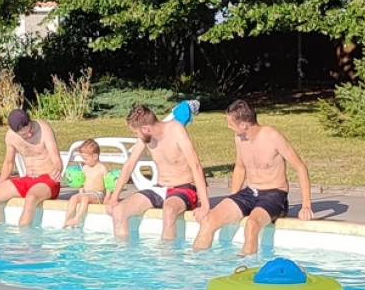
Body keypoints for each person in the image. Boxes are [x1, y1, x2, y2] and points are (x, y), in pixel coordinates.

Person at [193, 99, 314, 255]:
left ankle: (243, 271)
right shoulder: (239, 139)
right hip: (250, 192)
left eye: (230, 123)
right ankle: (195, 268)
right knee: (208, 221)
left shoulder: (272, 136)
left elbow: (300, 167)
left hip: (274, 194)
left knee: (252, 225)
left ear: (244, 125)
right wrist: (233, 198)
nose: (228, 126)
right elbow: (240, 168)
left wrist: (306, 206)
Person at [104, 104, 210, 241]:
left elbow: (196, 166)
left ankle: (166, 260)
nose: (136, 136)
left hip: (184, 188)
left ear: (146, 129)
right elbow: (129, 165)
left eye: (136, 133)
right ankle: (123, 258)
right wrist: (114, 198)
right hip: (160, 188)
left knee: (169, 210)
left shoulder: (176, 130)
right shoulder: (145, 137)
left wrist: (205, 205)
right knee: (119, 211)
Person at [0, 109, 62, 227]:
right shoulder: (11, 137)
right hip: (28, 179)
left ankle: (24, 240)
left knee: (31, 197)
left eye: (30, 130)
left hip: (48, 180)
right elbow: (9, 163)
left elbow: (56, 158)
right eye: (24, 135)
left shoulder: (44, 129)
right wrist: (0, 186)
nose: (30, 135)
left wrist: (57, 168)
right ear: (16, 132)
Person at [60, 138, 109, 228]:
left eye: (85, 159)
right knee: (74, 198)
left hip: (98, 195)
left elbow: (108, 185)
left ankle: (77, 219)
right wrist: (80, 192)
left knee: (84, 198)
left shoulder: (102, 168)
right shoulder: (85, 168)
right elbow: (82, 183)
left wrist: (107, 199)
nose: (84, 161)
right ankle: (67, 220)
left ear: (95, 156)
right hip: (86, 193)